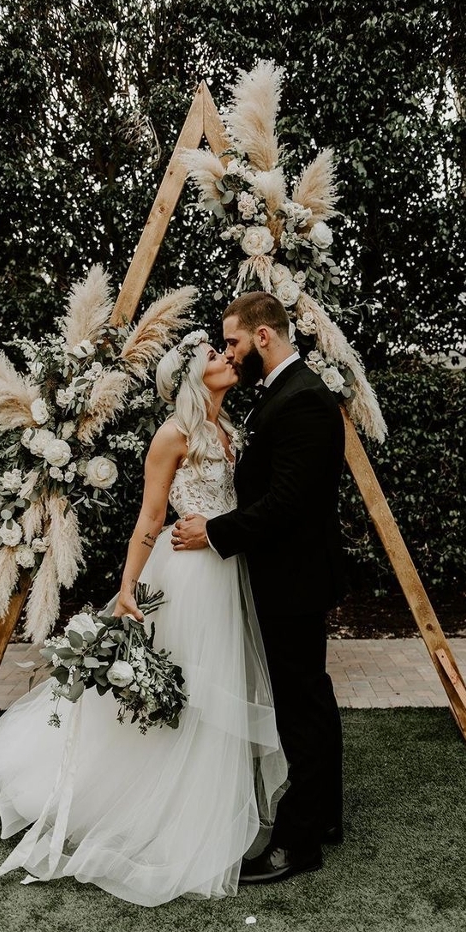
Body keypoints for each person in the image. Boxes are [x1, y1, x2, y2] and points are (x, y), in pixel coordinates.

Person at [0, 331, 287, 906]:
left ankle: (205, 796)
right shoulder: (172, 434)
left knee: (215, 683)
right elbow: (151, 516)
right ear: (191, 375)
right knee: (185, 684)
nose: (226, 357)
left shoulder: (227, 429)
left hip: (225, 571)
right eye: (213, 354)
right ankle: (159, 802)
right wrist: (128, 586)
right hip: (186, 577)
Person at [172, 292, 345, 885]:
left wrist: (214, 532)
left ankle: (298, 842)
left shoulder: (303, 400)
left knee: (300, 705)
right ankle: (322, 815)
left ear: (262, 337)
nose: (230, 353)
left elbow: (287, 503)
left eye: (234, 342)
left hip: (294, 578)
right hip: (285, 574)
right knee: (308, 698)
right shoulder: (280, 393)